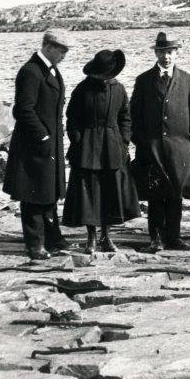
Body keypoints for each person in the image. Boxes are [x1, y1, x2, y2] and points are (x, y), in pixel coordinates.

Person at [130, 31, 190, 252]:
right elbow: (134, 116)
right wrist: (142, 142)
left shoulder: (186, 79)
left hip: (179, 148)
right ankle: (156, 238)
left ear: (177, 53)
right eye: (162, 51)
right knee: (155, 195)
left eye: (170, 52)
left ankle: (174, 237)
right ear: (156, 52)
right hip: (152, 147)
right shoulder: (144, 80)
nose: (166, 57)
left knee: (175, 193)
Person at [2, 29, 74, 260]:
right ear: (49, 47)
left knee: (49, 192)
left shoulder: (51, 71)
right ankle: (35, 245)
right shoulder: (31, 71)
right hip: (33, 145)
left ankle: (53, 238)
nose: (65, 55)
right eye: (62, 50)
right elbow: (23, 109)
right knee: (33, 194)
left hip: (49, 143)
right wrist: (42, 136)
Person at [62, 49, 140, 253]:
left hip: (112, 147)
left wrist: (123, 141)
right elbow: (72, 119)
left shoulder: (119, 89)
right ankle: (91, 238)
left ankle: (107, 236)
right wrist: (78, 140)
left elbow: (126, 117)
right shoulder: (82, 90)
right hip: (87, 148)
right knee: (89, 194)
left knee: (110, 193)